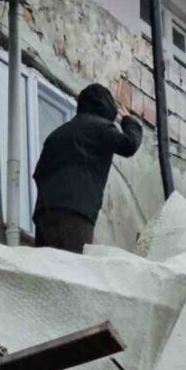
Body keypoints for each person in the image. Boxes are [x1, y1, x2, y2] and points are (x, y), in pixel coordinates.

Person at [32, 83, 143, 253]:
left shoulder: (56, 135)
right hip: (76, 215)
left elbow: (39, 173)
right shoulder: (101, 127)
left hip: (44, 215)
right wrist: (129, 122)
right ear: (106, 107)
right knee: (73, 272)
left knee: (46, 272)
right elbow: (129, 145)